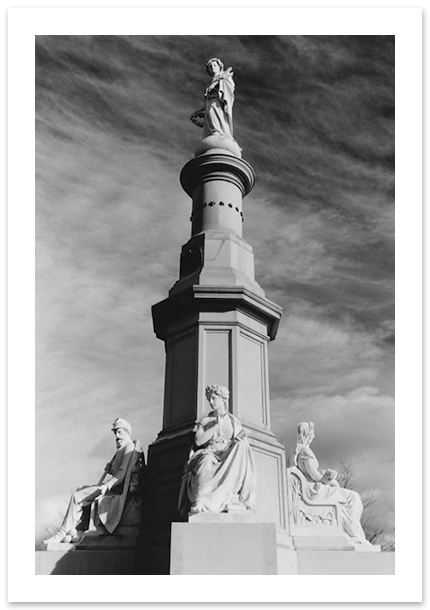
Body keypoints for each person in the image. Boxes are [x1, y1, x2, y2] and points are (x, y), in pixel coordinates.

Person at [43, 418, 144, 544]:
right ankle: (80, 526)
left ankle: (62, 532)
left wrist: (107, 486)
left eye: (119, 432)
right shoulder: (121, 449)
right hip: (112, 486)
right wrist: (111, 469)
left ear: (127, 432)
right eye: (115, 433)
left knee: (76, 497)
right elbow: (117, 472)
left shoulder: (128, 446)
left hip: (114, 489)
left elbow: (122, 474)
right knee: (80, 488)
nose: (117, 436)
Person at [178, 384, 256, 515]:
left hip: (228, 453)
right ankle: (201, 500)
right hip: (210, 452)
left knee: (243, 446)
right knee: (206, 461)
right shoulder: (206, 420)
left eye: (214, 398)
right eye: (209, 399)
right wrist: (215, 426)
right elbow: (198, 440)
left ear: (223, 399)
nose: (211, 402)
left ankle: (236, 497)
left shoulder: (233, 421)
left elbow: (240, 438)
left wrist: (236, 442)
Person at [293, 421, 371, 545]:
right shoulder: (304, 452)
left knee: (351, 496)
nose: (314, 436)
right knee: (353, 497)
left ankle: (354, 532)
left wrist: (329, 478)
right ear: (307, 435)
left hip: (315, 487)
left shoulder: (303, 451)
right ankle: (353, 533)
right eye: (312, 433)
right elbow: (315, 475)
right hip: (314, 491)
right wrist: (329, 479)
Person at [190, 58, 236, 141]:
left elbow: (230, 87)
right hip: (210, 103)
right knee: (210, 115)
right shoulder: (210, 83)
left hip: (218, 102)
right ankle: (215, 133)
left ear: (219, 67)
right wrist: (198, 111)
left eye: (215, 65)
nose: (213, 68)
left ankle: (218, 132)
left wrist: (220, 81)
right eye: (210, 67)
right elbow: (206, 100)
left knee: (214, 114)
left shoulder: (224, 77)